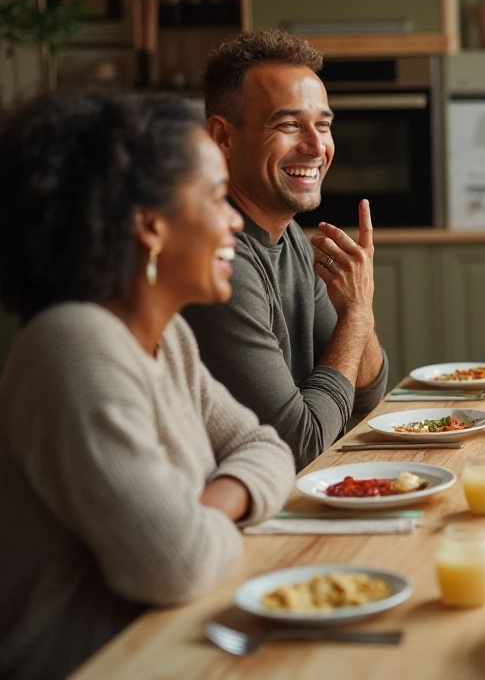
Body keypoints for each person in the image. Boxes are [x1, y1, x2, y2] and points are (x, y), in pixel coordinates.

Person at [0, 91, 295, 679]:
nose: (235, 219)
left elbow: (269, 447)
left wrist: (205, 505)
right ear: (151, 225)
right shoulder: (75, 344)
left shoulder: (170, 341)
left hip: (178, 644)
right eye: (216, 198)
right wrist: (218, 511)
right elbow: (176, 561)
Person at [183, 29, 388, 469]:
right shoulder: (219, 260)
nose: (317, 147)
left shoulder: (290, 235)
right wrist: (356, 315)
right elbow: (300, 445)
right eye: (289, 124)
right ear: (222, 137)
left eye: (324, 125)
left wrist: (359, 308)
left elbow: (367, 395)